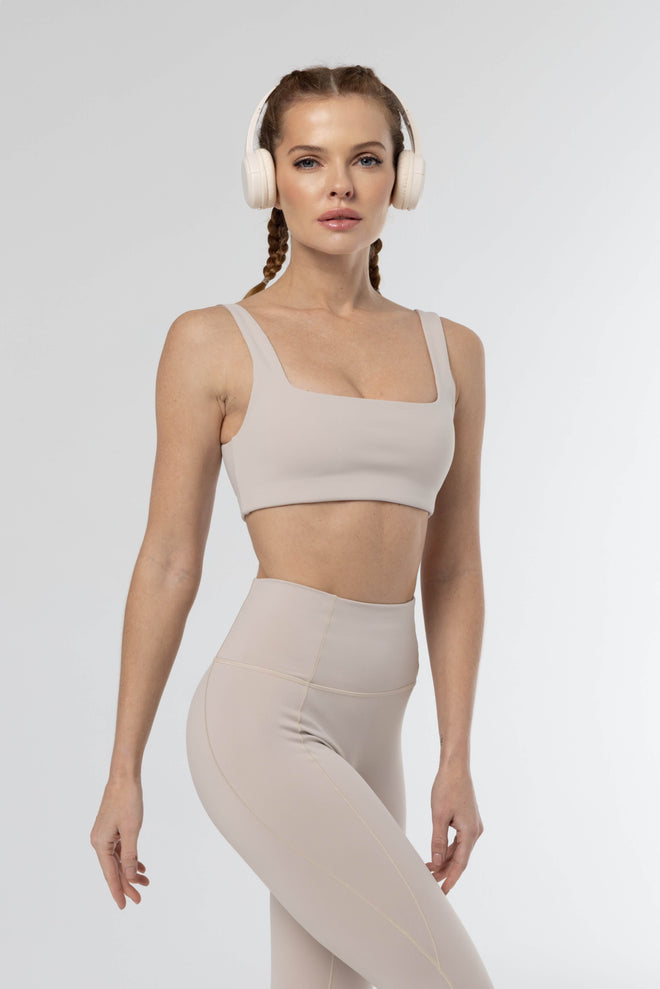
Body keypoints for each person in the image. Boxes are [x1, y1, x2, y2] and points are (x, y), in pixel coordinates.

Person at [90, 63, 495, 989]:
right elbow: (168, 560)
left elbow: (455, 569)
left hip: (377, 724)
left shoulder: (455, 352)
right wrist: (123, 769)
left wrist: (456, 756)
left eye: (366, 158)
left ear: (402, 177)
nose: (339, 185)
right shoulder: (212, 341)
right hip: (264, 715)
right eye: (310, 160)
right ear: (268, 177)